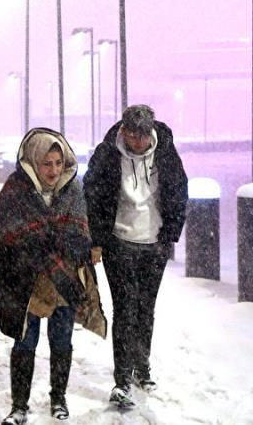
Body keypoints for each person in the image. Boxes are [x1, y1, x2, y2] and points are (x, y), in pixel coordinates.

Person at [0, 128, 107, 423]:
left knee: (61, 341)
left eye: (57, 162)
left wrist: (55, 240)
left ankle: (59, 398)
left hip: (63, 280)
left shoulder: (73, 188)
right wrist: (45, 241)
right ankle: (19, 405)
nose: (54, 170)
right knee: (24, 342)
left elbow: (81, 233)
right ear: (33, 162)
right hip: (26, 280)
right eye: (46, 163)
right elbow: (3, 228)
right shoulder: (16, 188)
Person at [83, 104, 188, 408]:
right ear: (124, 130)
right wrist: (97, 240)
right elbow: (92, 194)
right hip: (119, 243)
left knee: (145, 308)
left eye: (143, 135)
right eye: (132, 134)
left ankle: (143, 367)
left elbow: (178, 190)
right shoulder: (107, 154)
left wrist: (170, 234)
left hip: (154, 244)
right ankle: (122, 378)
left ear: (151, 132)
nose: (138, 141)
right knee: (125, 309)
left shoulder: (165, 152)